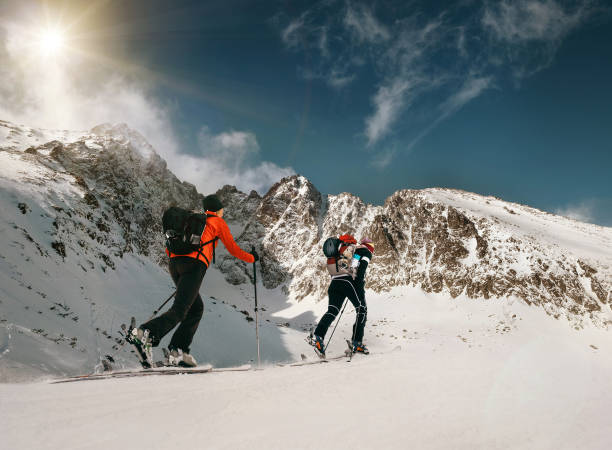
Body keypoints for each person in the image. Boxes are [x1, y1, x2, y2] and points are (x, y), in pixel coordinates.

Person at [129, 194, 258, 367]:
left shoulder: (193, 221)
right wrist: (252, 258)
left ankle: (178, 351)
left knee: (196, 308)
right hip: (194, 266)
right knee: (181, 309)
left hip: (175, 265)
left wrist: (182, 268)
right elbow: (233, 249)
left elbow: (171, 248)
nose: (223, 211)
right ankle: (145, 333)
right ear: (218, 209)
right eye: (222, 209)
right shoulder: (217, 222)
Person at [310, 235, 374, 356]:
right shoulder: (365, 251)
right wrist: (358, 286)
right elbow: (360, 270)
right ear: (370, 246)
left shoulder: (347, 250)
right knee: (362, 310)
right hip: (348, 282)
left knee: (332, 311)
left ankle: (318, 337)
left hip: (334, 283)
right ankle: (357, 343)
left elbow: (350, 265)